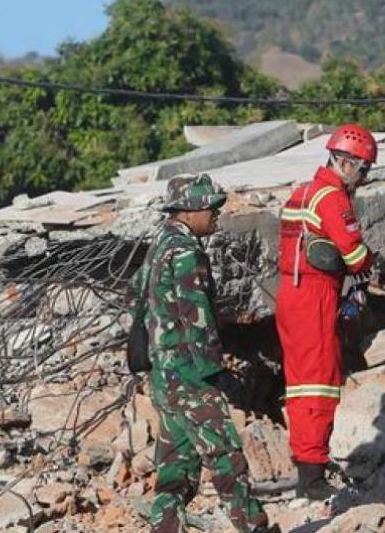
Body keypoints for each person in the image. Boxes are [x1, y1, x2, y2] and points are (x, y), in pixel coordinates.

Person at [133, 174, 277, 533]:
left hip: (164, 374)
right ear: (188, 211)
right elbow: (197, 318)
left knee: (176, 467)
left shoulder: (158, 245)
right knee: (225, 455)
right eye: (210, 207)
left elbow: (142, 302)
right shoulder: (186, 253)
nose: (216, 213)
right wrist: (218, 374)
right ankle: (254, 525)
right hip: (190, 374)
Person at [276, 123, 385, 500]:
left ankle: (307, 463)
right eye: (363, 170)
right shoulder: (332, 198)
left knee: (300, 381)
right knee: (319, 381)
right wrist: (370, 268)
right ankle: (312, 475)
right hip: (315, 296)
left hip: (292, 292)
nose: (363, 179)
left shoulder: (302, 192)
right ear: (345, 162)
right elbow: (355, 254)